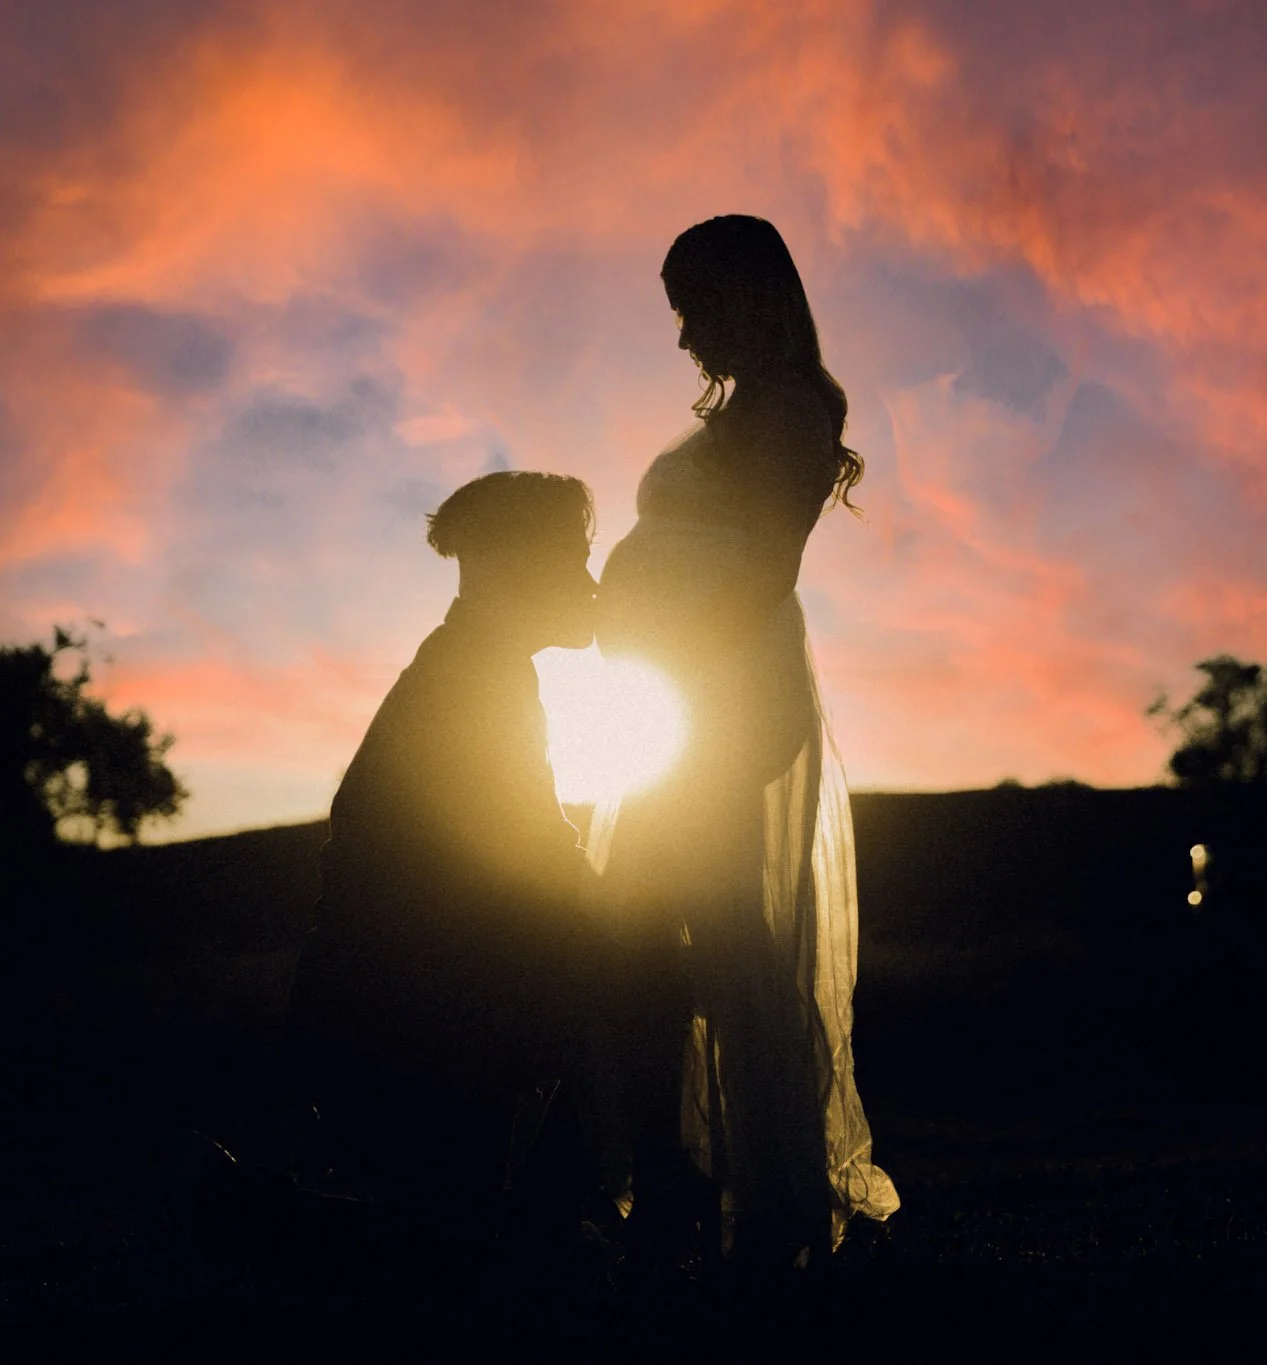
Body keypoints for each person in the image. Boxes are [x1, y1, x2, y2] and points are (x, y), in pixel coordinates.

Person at [592, 214, 899, 1268]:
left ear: (743, 299)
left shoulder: (787, 411)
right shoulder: (754, 411)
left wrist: (666, 641)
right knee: (652, 939)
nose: (682, 338)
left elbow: (765, 567)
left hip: (725, 695)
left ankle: (758, 1205)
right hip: (685, 691)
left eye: (691, 310)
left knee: (709, 944)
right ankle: (683, 1184)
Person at [289, 470, 608, 1263]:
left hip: (401, 1019)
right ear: (518, 564)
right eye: (575, 557)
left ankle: (540, 1232)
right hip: (409, 1035)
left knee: (458, 1245)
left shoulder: (474, 664)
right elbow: (529, 864)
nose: (591, 583)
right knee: (452, 1260)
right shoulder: (472, 680)